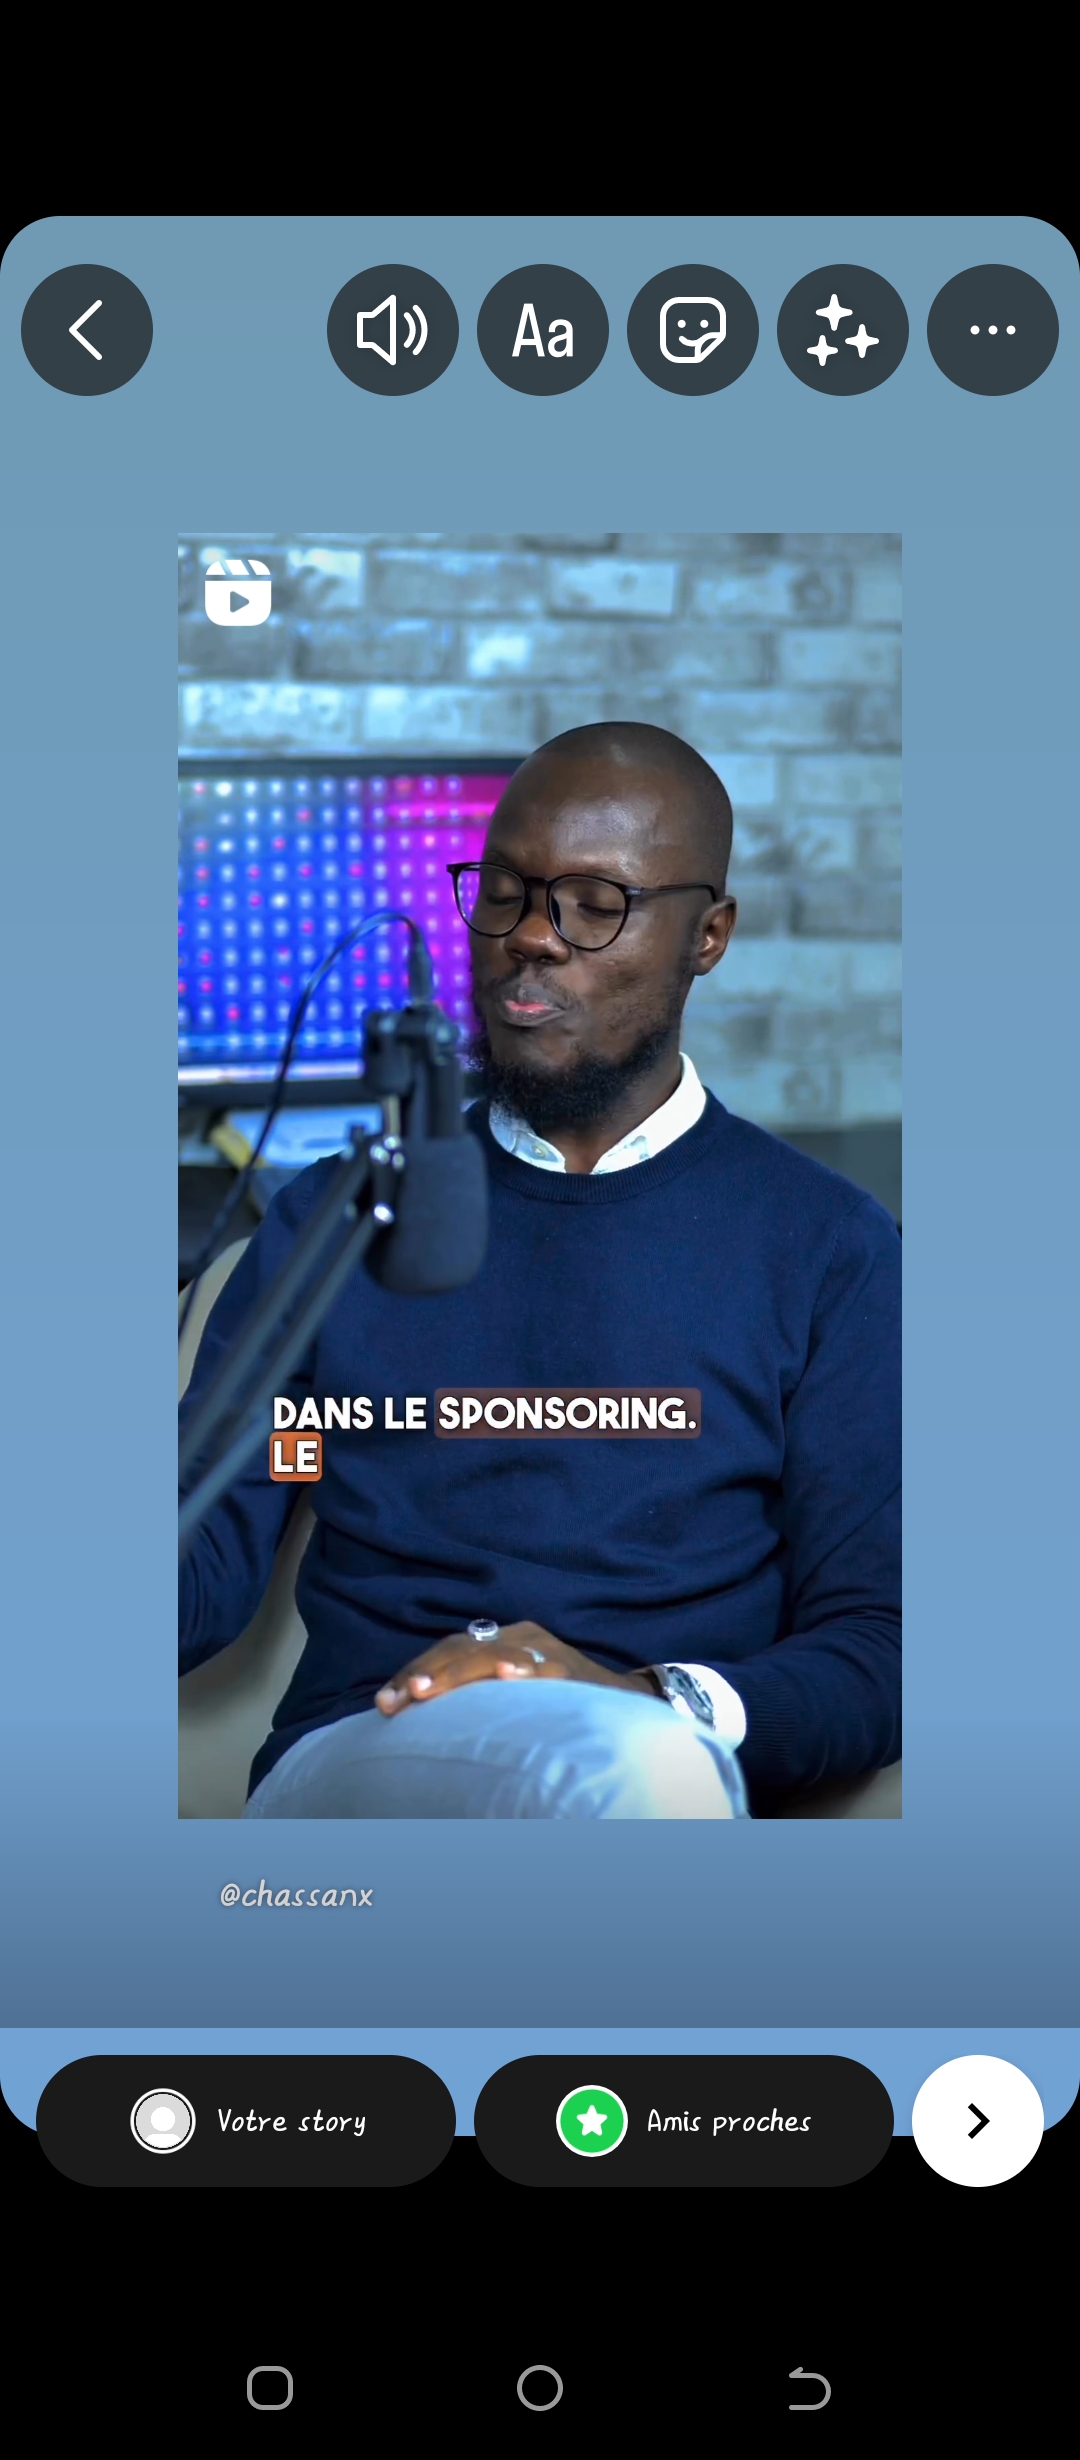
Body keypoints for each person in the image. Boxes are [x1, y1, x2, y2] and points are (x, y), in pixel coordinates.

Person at [179, 722, 900, 1819]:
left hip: (664, 1771)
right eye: (506, 891)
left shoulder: (827, 1248)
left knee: (637, 1768)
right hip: (367, 1748)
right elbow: (210, 1561)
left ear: (708, 937)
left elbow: (883, 1644)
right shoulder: (337, 1223)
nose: (529, 937)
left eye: (593, 904)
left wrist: (649, 1700)